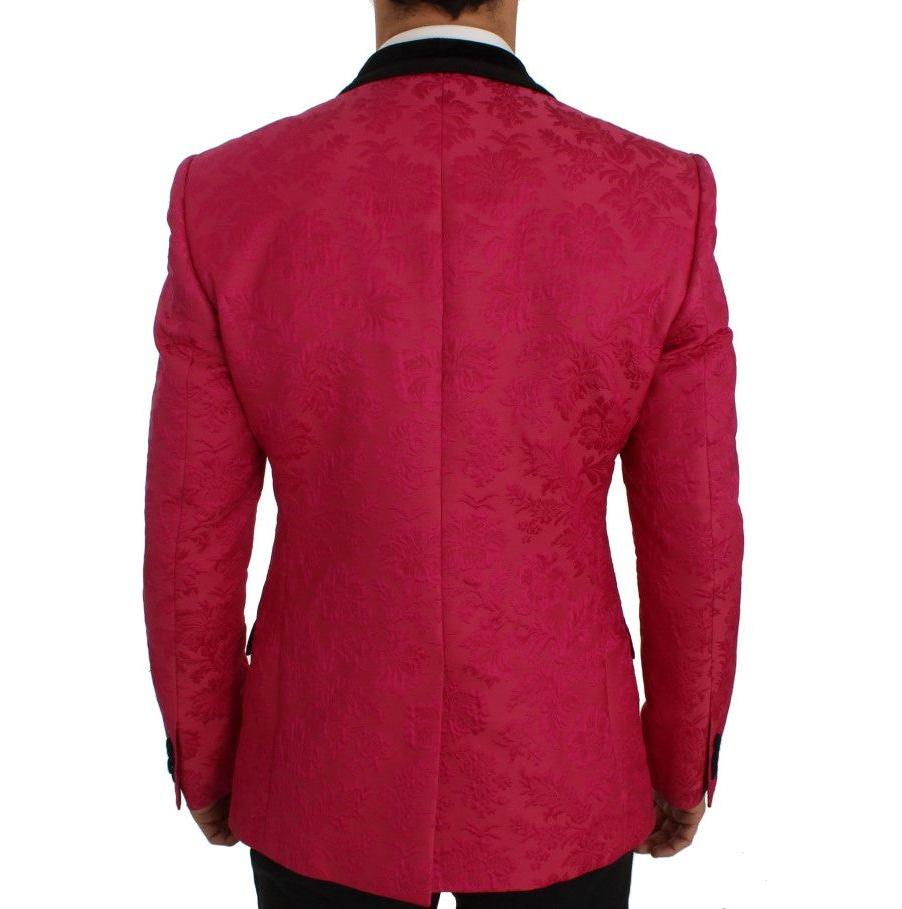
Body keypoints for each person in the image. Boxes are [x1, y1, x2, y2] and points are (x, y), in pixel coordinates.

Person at [142, 1, 744, 906]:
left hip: (318, 769)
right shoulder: (659, 198)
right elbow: (695, 537)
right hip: (564, 771)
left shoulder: (227, 196)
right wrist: (682, 761)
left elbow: (190, 529)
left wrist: (206, 754)